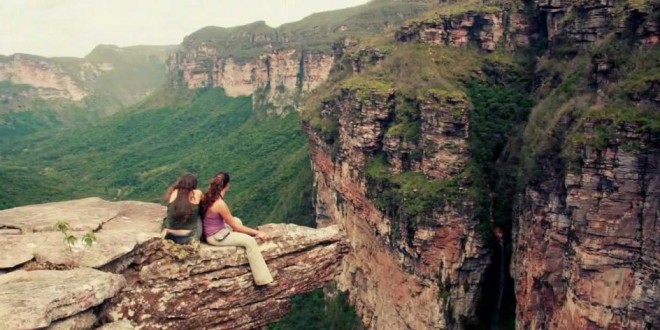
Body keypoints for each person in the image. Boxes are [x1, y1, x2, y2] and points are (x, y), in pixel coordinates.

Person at [201, 171, 274, 286]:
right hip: (215, 236)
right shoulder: (219, 204)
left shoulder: (207, 196)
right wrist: (258, 232)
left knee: (237, 220)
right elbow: (236, 227)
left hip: (211, 231)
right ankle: (263, 279)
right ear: (228, 185)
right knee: (250, 242)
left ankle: (239, 238)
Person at [161, 173, 203, 244]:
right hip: (189, 237)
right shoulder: (197, 193)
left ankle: (165, 230)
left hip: (170, 235)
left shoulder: (173, 192)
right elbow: (204, 204)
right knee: (198, 215)